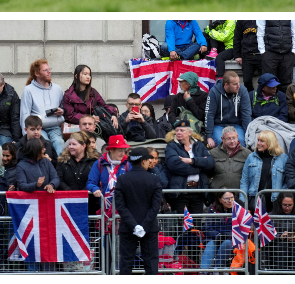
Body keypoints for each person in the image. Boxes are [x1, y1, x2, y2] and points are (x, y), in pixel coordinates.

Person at [115, 146, 163, 275]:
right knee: (151, 263)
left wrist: (134, 225)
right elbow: (155, 207)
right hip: (149, 228)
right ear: (143, 161)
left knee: (126, 263)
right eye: (148, 160)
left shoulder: (122, 179)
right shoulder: (154, 179)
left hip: (127, 228)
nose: (150, 162)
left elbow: (120, 206)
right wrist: (144, 225)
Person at [164, 118, 214, 215]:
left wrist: (191, 161)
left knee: (196, 225)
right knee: (182, 225)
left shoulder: (199, 145)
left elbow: (210, 162)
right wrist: (199, 167)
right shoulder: (172, 146)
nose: (178, 132)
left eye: (182, 130)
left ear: (190, 132)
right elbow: (175, 165)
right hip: (181, 192)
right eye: (177, 130)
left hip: (198, 191)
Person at [21, 59, 66, 158]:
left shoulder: (57, 89)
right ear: (37, 73)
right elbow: (25, 114)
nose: (49, 72)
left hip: (55, 126)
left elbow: (63, 108)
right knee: (45, 146)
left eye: (49, 69)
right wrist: (27, 135)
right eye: (45, 70)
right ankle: (47, 168)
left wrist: (61, 111)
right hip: (37, 128)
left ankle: (61, 170)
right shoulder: (28, 90)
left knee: (60, 145)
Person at [60, 65, 116, 131]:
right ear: (76, 76)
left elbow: (104, 105)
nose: (88, 77)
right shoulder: (68, 95)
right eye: (85, 74)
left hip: (92, 130)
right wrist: (89, 118)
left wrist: (113, 114)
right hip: (75, 130)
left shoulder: (93, 92)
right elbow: (70, 115)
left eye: (89, 75)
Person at [239, 130, 287, 206]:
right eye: (258, 140)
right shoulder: (251, 157)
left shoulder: (283, 158)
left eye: (262, 141)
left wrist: (281, 198)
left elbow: (286, 182)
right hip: (254, 200)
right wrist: (242, 201)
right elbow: (244, 180)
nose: (258, 143)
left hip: (275, 202)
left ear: (270, 143)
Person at [87, 134, 131, 215]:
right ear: (111, 150)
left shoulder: (127, 164)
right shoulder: (99, 163)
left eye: (124, 150)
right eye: (119, 150)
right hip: (103, 208)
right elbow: (90, 182)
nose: (123, 153)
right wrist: (95, 189)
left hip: (123, 208)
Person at [57, 130, 99, 213]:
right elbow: (59, 179)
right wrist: (71, 193)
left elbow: (96, 179)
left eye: (74, 144)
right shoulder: (62, 160)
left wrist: (82, 193)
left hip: (89, 203)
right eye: (69, 144)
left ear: (83, 146)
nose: (70, 147)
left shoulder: (94, 161)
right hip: (67, 202)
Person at [198, 190, 239, 272]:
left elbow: (239, 229)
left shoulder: (238, 210)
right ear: (220, 200)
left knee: (227, 243)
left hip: (231, 240)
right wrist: (218, 235)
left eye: (232, 198)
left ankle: (216, 269)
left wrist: (226, 235)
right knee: (210, 244)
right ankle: (203, 272)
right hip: (214, 238)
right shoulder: (212, 209)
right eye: (227, 198)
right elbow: (206, 227)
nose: (230, 201)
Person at [258, 20, 295, 88]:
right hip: (270, 53)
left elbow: (294, 31)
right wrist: (262, 51)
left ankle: (283, 99)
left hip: (287, 53)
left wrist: (294, 49)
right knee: (269, 82)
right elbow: (260, 32)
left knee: (286, 84)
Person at [209, 124, 251, 193]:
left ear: (237, 137)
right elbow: (206, 172)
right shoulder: (213, 153)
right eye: (228, 138)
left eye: (234, 138)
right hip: (218, 196)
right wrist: (212, 185)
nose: (232, 141)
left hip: (239, 195)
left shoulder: (247, 153)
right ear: (222, 139)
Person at [232, 21, 262, 94]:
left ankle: (261, 98)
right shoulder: (241, 21)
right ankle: (251, 98)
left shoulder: (262, 19)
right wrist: (237, 55)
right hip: (247, 55)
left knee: (264, 81)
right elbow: (237, 38)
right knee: (246, 81)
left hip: (261, 55)